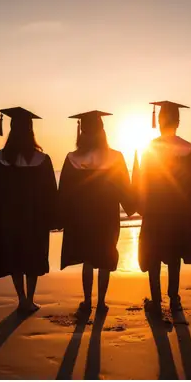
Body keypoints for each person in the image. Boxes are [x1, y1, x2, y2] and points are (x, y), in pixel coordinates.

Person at [58, 110, 136, 313]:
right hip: (107, 217)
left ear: (82, 132)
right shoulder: (116, 157)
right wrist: (133, 204)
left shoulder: (73, 158)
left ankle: (87, 301)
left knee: (88, 259)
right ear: (103, 132)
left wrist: (62, 216)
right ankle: (101, 302)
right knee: (105, 257)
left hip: (82, 218)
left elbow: (65, 192)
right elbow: (124, 188)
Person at [0, 106, 58, 314]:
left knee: (15, 257)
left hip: (8, 218)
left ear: (11, 129)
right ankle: (30, 298)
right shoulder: (42, 160)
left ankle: (21, 299)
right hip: (34, 218)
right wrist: (53, 218)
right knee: (32, 257)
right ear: (31, 130)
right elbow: (51, 193)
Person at [134, 100, 191, 315]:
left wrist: (141, 205)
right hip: (179, 211)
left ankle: (155, 300)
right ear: (178, 122)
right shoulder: (189, 149)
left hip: (155, 210)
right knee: (174, 254)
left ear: (160, 121)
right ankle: (174, 298)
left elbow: (142, 181)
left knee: (153, 255)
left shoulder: (151, 148)